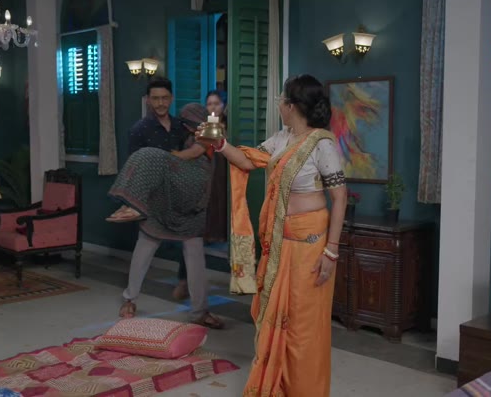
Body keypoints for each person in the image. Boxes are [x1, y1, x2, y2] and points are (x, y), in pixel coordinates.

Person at [196, 74, 347, 396]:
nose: (278, 105)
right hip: (279, 243)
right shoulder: (282, 138)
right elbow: (247, 161)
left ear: (292, 106)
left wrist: (331, 251)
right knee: (275, 319)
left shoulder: (322, 144)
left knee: (303, 325)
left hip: (310, 246)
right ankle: (276, 386)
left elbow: (340, 198)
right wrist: (219, 144)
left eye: (281, 100)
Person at [109, 77, 224, 329]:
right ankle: (129, 300)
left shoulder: (184, 124)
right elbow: (137, 169)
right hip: (158, 203)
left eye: (164, 98)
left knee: (195, 255)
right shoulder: (139, 130)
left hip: (185, 201)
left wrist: (213, 120)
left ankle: (200, 312)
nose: (160, 103)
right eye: (155, 99)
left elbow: (209, 140)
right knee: (144, 249)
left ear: (171, 99)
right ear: (148, 101)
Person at [173, 90, 229, 301]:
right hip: (204, 180)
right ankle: (184, 282)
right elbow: (196, 151)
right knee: (193, 234)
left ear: (224, 106)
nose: (212, 107)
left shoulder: (228, 125)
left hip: (224, 177)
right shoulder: (206, 127)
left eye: (217, 103)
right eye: (209, 104)